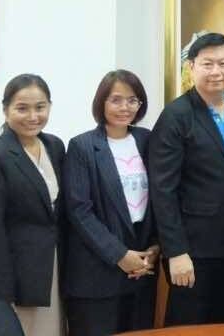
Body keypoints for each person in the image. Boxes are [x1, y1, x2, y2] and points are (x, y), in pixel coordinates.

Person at [149, 33, 224, 326]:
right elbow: (163, 189)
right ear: (191, 67)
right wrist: (176, 252)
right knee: (187, 327)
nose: (216, 71)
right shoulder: (176, 115)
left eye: (223, 63)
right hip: (195, 250)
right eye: (207, 64)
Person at [63, 70, 159, 336]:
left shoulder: (147, 140)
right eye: (116, 100)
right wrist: (119, 255)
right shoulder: (82, 146)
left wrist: (155, 247)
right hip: (97, 273)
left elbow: (160, 198)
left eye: (132, 100)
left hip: (142, 268)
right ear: (101, 102)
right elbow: (79, 211)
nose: (125, 107)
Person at [0, 74, 66, 336]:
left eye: (40, 107)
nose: (33, 116)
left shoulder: (54, 146)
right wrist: (1, 294)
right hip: (18, 275)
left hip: (56, 265)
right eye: (22, 108)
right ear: (6, 110)